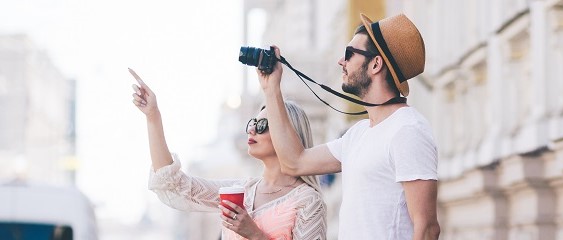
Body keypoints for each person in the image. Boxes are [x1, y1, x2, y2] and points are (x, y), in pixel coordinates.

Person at [257, 13, 440, 240]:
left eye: (349, 54)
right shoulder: (359, 133)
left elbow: (427, 228)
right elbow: (294, 162)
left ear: (375, 64)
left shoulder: (408, 131)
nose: (341, 61)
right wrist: (271, 88)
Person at [130, 74, 327, 240]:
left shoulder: (308, 200)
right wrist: (153, 116)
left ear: (288, 134)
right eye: (252, 123)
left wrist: (255, 234)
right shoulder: (242, 192)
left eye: (261, 126)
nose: (251, 130)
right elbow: (175, 185)